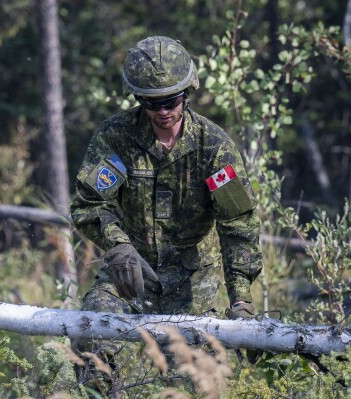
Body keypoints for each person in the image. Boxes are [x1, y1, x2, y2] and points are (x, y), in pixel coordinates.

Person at [70, 36, 263, 393]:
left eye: (170, 101)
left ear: (187, 92)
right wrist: (119, 247)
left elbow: (238, 225)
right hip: (131, 273)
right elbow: (88, 205)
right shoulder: (117, 138)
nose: (162, 111)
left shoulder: (213, 146)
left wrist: (240, 299)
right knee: (89, 333)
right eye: (151, 102)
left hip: (192, 283)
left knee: (191, 376)